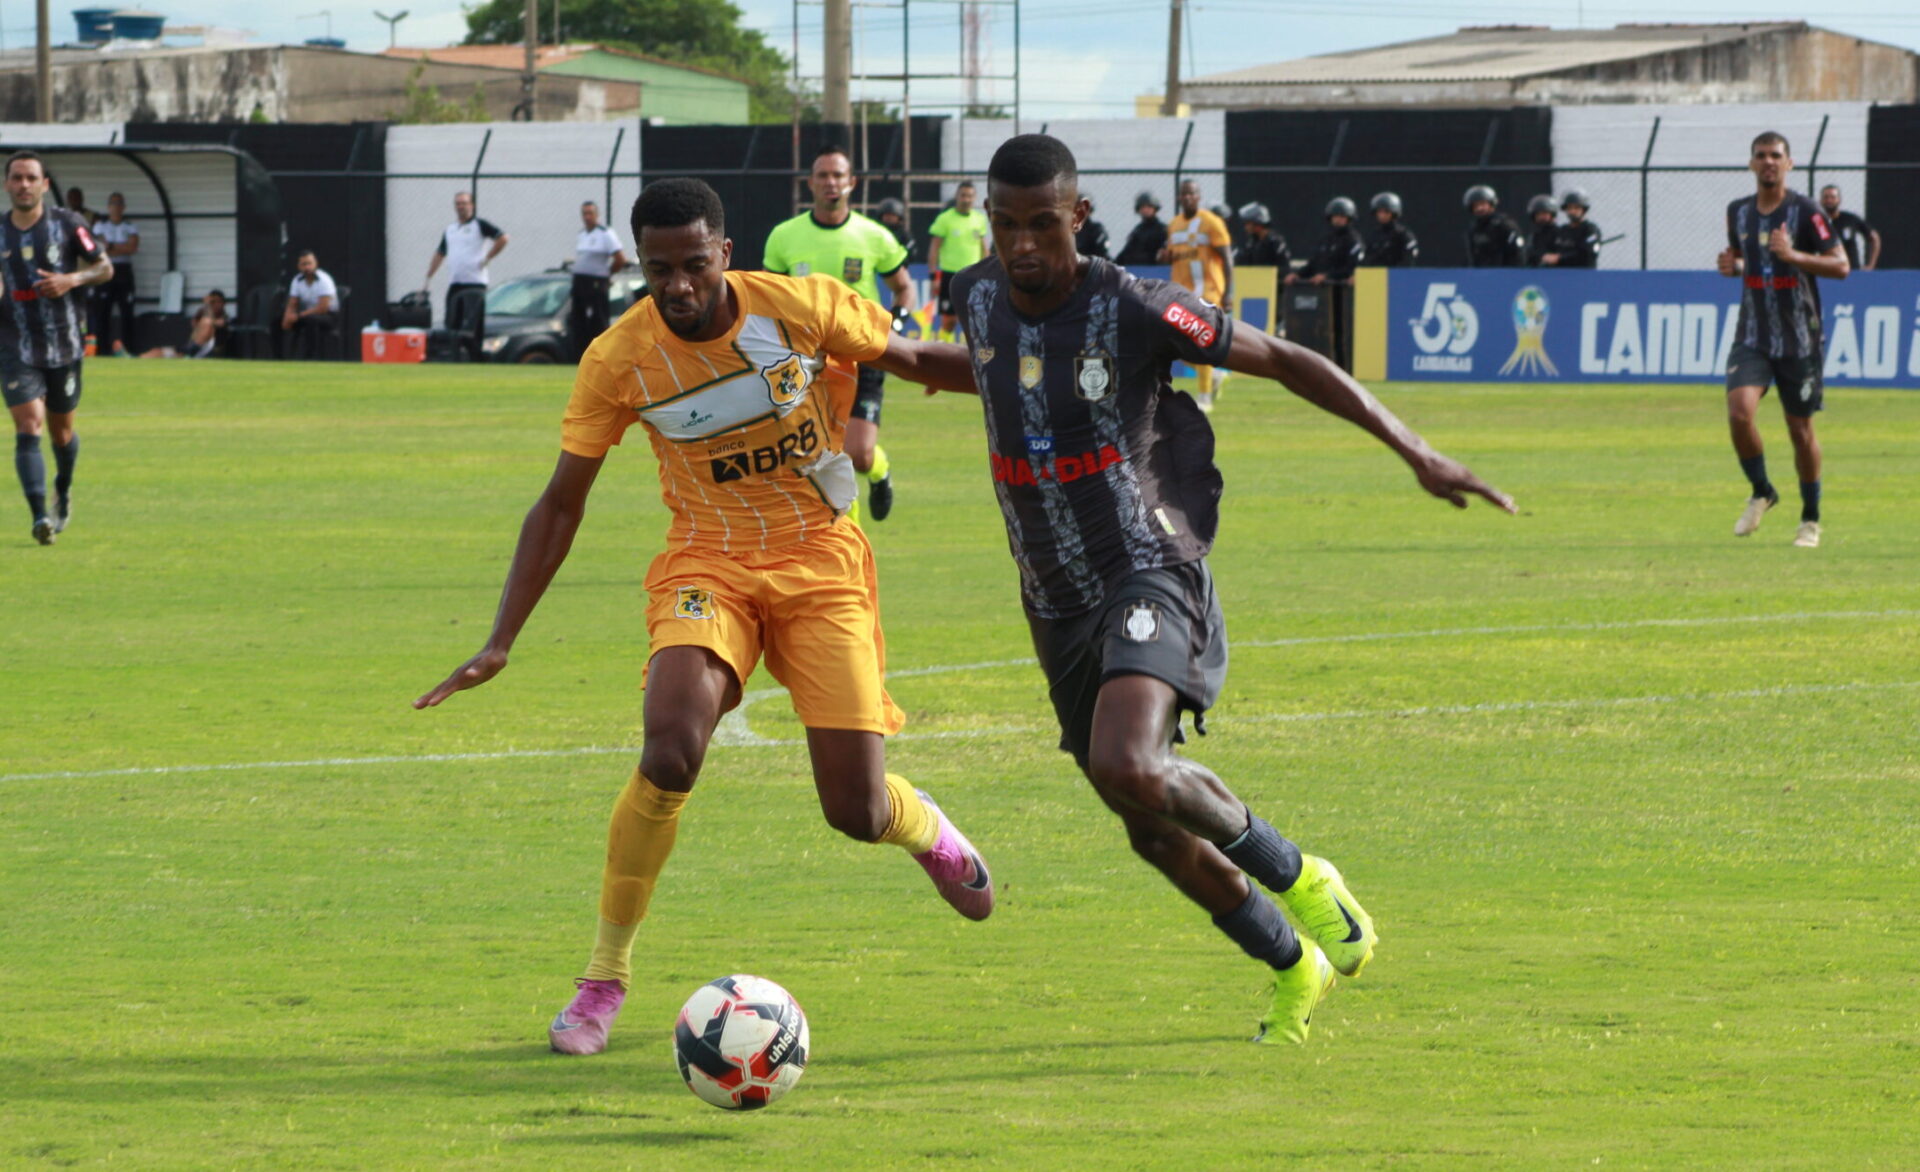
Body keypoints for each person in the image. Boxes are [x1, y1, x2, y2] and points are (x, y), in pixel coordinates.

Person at [941, 134, 1513, 1044]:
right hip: (1051, 598)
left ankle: (1303, 876)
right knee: (1148, 827)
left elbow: (1286, 359)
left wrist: (1418, 451)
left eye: (1042, 225)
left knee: (1132, 764)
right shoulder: (971, 295)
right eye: (1006, 226)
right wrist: (878, 359)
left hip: (1147, 564)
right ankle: (1295, 965)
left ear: (1077, 217)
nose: (1022, 247)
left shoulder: (1133, 304)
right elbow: (984, 370)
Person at [414, 177, 991, 1059]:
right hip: (707, 561)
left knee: (854, 807)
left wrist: (1035, 385)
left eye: (692, 264)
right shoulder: (619, 358)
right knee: (670, 745)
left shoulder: (797, 306)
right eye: (656, 270)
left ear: (724, 252)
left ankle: (926, 831)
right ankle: (604, 979)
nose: (676, 286)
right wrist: (501, 639)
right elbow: (560, 504)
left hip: (820, 561)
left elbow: (915, 362)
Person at [763, 145, 915, 523]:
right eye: (823, 176)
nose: (831, 183)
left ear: (852, 183)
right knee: (829, 455)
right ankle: (849, 539)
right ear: (810, 183)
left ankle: (879, 471)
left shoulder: (874, 235)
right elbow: (769, 299)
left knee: (860, 455)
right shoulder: (784, 236)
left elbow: (904, 286)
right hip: (807, 360)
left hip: (862, 356)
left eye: (838, 176)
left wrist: (896, 323)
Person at [1717, 131, 1848, 549]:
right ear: (1751, 163)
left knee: (1800, 430)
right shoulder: (1737, 211)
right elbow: (1748, 259)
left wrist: (1794, 256)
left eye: (1776, 155)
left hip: (1799, 340)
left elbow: (1840, 265)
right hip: (1753, 334)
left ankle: (1810, 519)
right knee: (1740, 413)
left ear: (1789, 164)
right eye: (1761, 155)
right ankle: (1762, 490)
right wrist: (1732, 266)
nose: (1769, 161)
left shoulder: (1807, 212)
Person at [1, 151, 113, 544]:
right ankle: (38, 517)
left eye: (32, 178)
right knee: (27, 425)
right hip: (15, 345)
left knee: (61, 434)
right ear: (6, 184)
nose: (24, 185)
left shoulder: (69, 224)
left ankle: (62, 491)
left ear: (44, 184)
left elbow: (105, 267)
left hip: (64, 346)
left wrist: (72, 279)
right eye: (17, 178)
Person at [1159, 179, 1234, 410]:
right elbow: (1173, 255)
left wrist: (1229, 292)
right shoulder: (1173, 225)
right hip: (1182, 291)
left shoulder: (1212, 223)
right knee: (1173, 345)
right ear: (1179, 198)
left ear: (1198, 196)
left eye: (1192, 193)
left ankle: (1204, 397)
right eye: (1184, 194)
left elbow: (1227, 258)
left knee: (1202, 341)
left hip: (1209, 290)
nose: (1188, 197)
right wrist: (1163, 256)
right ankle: (1212, 376)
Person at [424, 191, 509, 361]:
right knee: (452, 323)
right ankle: (454, 357)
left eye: (464, 203)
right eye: (458, 203)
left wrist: (488, 258)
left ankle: (475, 358)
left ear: (472, 205)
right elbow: (440, 253)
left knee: (473, 325)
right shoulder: (450, 230)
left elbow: (503, 238)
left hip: (475, 283)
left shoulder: (479, 225)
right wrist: (429, 277)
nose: (461, 207)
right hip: (456, 282)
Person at [928, 180, 989, 341]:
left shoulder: (979, 220)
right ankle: (942, 350)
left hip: (973, 275)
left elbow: (984, 248)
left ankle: (974, 355)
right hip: (950, 276)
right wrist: (933, 275)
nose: (966, 199)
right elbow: (934, 248)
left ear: (974, 198)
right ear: (957, 196)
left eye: (970, 196)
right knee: (950, 319)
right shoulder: (945, 219)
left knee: (975, 318)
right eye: (963, 195)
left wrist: (987, 272)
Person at [570, 200, 626, 360]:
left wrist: (607, 274)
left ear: (597, 215)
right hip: (580, 280)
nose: (587, 217)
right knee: (578, 319)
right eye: (584, 214)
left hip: (596, 282)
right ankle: (580, 356)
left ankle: (601, 356)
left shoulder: (606, 233)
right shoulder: (582, 234)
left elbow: (620, 258)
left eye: (590, 213)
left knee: (598, 319)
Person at [93, 192, 139, 356]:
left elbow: (132, 248)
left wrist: (111, 246)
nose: (116, 207)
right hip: (106, 270)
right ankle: (102, 350)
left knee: (127, 311)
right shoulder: (100, 226)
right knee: (103, 311)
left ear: (123, 207)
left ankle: (128, 349)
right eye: (113, 203)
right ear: (108, 207)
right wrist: (120, 247)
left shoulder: (130, 226)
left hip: (124, 271)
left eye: (119, 203)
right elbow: (99, 248)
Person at [1287, 197, 1364, 286]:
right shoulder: (1326, 240)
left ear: (1349, 219)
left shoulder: (1353, 240)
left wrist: (1328, 276)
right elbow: (1313, 264)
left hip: (1342, 290)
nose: (1337, 220)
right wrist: (1297, 274)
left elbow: (1353, 268)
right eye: (1334, 216)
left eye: (1342, 216)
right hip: (1321, 289)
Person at [281, 250, 339, 360]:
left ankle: (310, 358)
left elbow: (323, 308)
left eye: (309, 263)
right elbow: (293, 303)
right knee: (276, 323)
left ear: (315, 264)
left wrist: (299, 316)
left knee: (311, 320)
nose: (307, 267)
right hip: (306, 315)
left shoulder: (324, 280)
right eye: (304, 264)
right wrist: (287, 317)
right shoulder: (297, 280)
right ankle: (279, 358)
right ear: (299, 266)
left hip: (329, 316)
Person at [141, 289, 228, 359]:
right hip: (190, 348)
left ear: (223, 303)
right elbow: (194, 324)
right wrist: (204, 309)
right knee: (157, 351)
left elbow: (217, 323)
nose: (216, 305)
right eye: (214, 302)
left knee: (207, 322)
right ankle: (136, 360)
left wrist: (207, 305)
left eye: (219, 302)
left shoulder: (225, 317)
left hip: (207, 351)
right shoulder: (204, 314)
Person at [1817, 185, 1879, 273]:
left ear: (1839, 200)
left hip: (1852, 271)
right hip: (1827, 271)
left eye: (1833, 197)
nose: (1829, 200)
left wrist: (1871, 265)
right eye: (1826, 197)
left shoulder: (1850, 219)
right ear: (1821, 200)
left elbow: (1874, 237)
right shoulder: (1817, 222)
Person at [1463, 185, 1525, 268]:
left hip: (1505, 274)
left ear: (1491, 204)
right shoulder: (1473, 230)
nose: (1479, 208)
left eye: (1482, 204)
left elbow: (1518, 253)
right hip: (1481, 276)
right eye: (1475, 206)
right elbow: (1471, 257)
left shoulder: (1505, 225)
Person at [1363, 192, 1420, 267]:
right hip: (1376, 277)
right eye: (1379, 212)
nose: (1382, 215)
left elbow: (1409, 259)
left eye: (1386, 212)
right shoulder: (1374, 235)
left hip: (1398, 276)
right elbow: (1366, 260)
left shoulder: (1403, 234)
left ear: (1394, 213)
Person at [1114, 191, 1167, 267]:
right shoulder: (1137, 231)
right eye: (1142, 207)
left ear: (1155, 208)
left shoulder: (1162, 229)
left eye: (1149, 206)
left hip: (1155, 271)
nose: (1145, 210)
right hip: (1135, 270)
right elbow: (1125, 253)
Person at [1552, 189, 1602, 269]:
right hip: (1562, 275)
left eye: (1576, 208)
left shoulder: (1590, 230)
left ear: (1583, 210)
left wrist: (1561, 258)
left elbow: (1588, 255)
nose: (1572, 211)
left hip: (1584, 275)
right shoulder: (1562, 231)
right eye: (1569, 208)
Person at [1233, 203, 1289, 270]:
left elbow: (1283, 267)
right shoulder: (1252, 242)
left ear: (1258, 224)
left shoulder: (1276, 242)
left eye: (1247, 223)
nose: (1246, 227)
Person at [874, 197, 920, 263]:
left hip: (898, 269)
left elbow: (911, 253)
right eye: (886, 215)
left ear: (899, 217)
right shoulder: (875, 233)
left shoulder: (904, 235)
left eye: (892, 215)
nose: (889, 218)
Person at [1525, 195, 1560, 266]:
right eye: (1538, 214)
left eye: (1544, 213)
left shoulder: (1560, 233)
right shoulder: (1534, 236)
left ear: (1552, 214)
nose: (1541, 217)